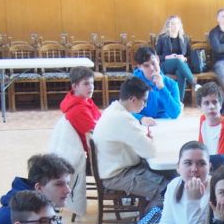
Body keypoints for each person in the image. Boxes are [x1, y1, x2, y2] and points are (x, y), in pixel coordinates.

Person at [92, 76, 169, 210]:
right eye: (144, 101)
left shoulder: (113, 109)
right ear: (133, 99)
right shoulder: (124, 119)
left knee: (169, 176)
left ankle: (151, 213)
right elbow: (149, 151)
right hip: (117, 175)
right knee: (166, 190)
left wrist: (143, 141)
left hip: (113, 169)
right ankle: (148, 220)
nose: (145, 105)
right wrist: (148, 141)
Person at [147, 141, 212, 224]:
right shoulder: (174, 185)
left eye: (201, 163)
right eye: (188, 163)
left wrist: (194, 201)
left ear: (209, 167)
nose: (194, 169)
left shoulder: (217, 190)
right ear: (178, 167)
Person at [155, 15, 199, 102]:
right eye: (172, 24)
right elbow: (156, 56)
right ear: (168, 25)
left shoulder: (184, 38)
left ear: (180, 25)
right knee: (178, 61)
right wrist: (168, 57)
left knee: (180, 73)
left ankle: (179, 101)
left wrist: (184, 58)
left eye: (177, 24)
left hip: (181, 66)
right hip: (166, 65)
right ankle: (194, 83)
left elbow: (189, 55)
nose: (175, 26)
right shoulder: (162, 38)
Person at [132, 46, 182, 122]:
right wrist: (141, 118)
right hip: (142, 122)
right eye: (146, 66)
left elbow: (175, 114)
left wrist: (162, 88)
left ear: (158, 60)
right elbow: (126, 110)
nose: (152, 68)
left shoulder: (171, 84)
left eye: (153, 63)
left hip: (164, 122)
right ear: (139, 67)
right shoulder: (133, 83)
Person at [59, 66, 101, 154]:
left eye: (92, 83)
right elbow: (97, 133)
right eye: (86, 84)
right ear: (75, 87)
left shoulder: (85, 99)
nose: (91, 87)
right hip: (94, 151)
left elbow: (100, 119)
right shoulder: (78, 110)